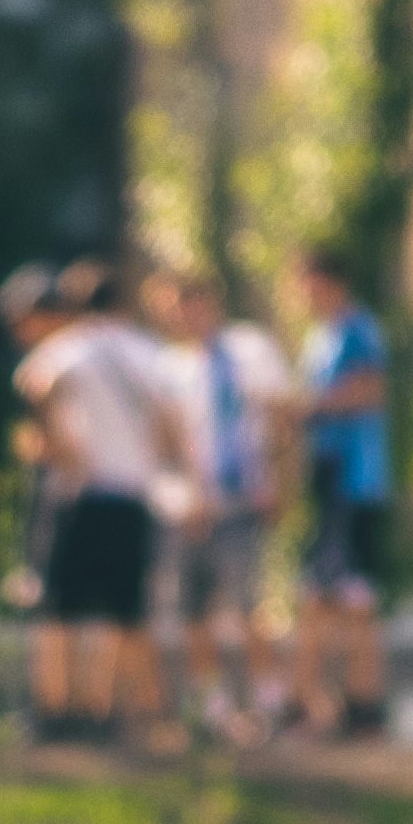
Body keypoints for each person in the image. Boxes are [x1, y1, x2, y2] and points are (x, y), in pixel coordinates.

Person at [11, 260, 197, 744]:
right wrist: (168, 465)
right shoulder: (149, 352)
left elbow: (35, 385)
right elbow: (171, 423)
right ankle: (129, 711)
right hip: (133, 493)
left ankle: (56, 708)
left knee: (58, 609)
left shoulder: (69, 347)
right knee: (128, 611)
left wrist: (61, 446)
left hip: (81, 491)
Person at [165, 266, 294, 736]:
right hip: (191, 507)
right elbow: (170, 441)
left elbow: (281, 419)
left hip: (242, 498)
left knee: (246, 604)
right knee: (193, 609)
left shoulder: (250, 350)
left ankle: (267, 700)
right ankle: (211, 702)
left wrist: (279, 483)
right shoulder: (172, 366)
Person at [292, 252, 398, 739]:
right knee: (325, 596)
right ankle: (329, 704)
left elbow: (370, 392)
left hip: (355, 481)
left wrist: (305, 408)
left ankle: (362, 704)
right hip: (327, 478)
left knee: (353, 597)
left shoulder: (359, 330)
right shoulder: (320, 337)